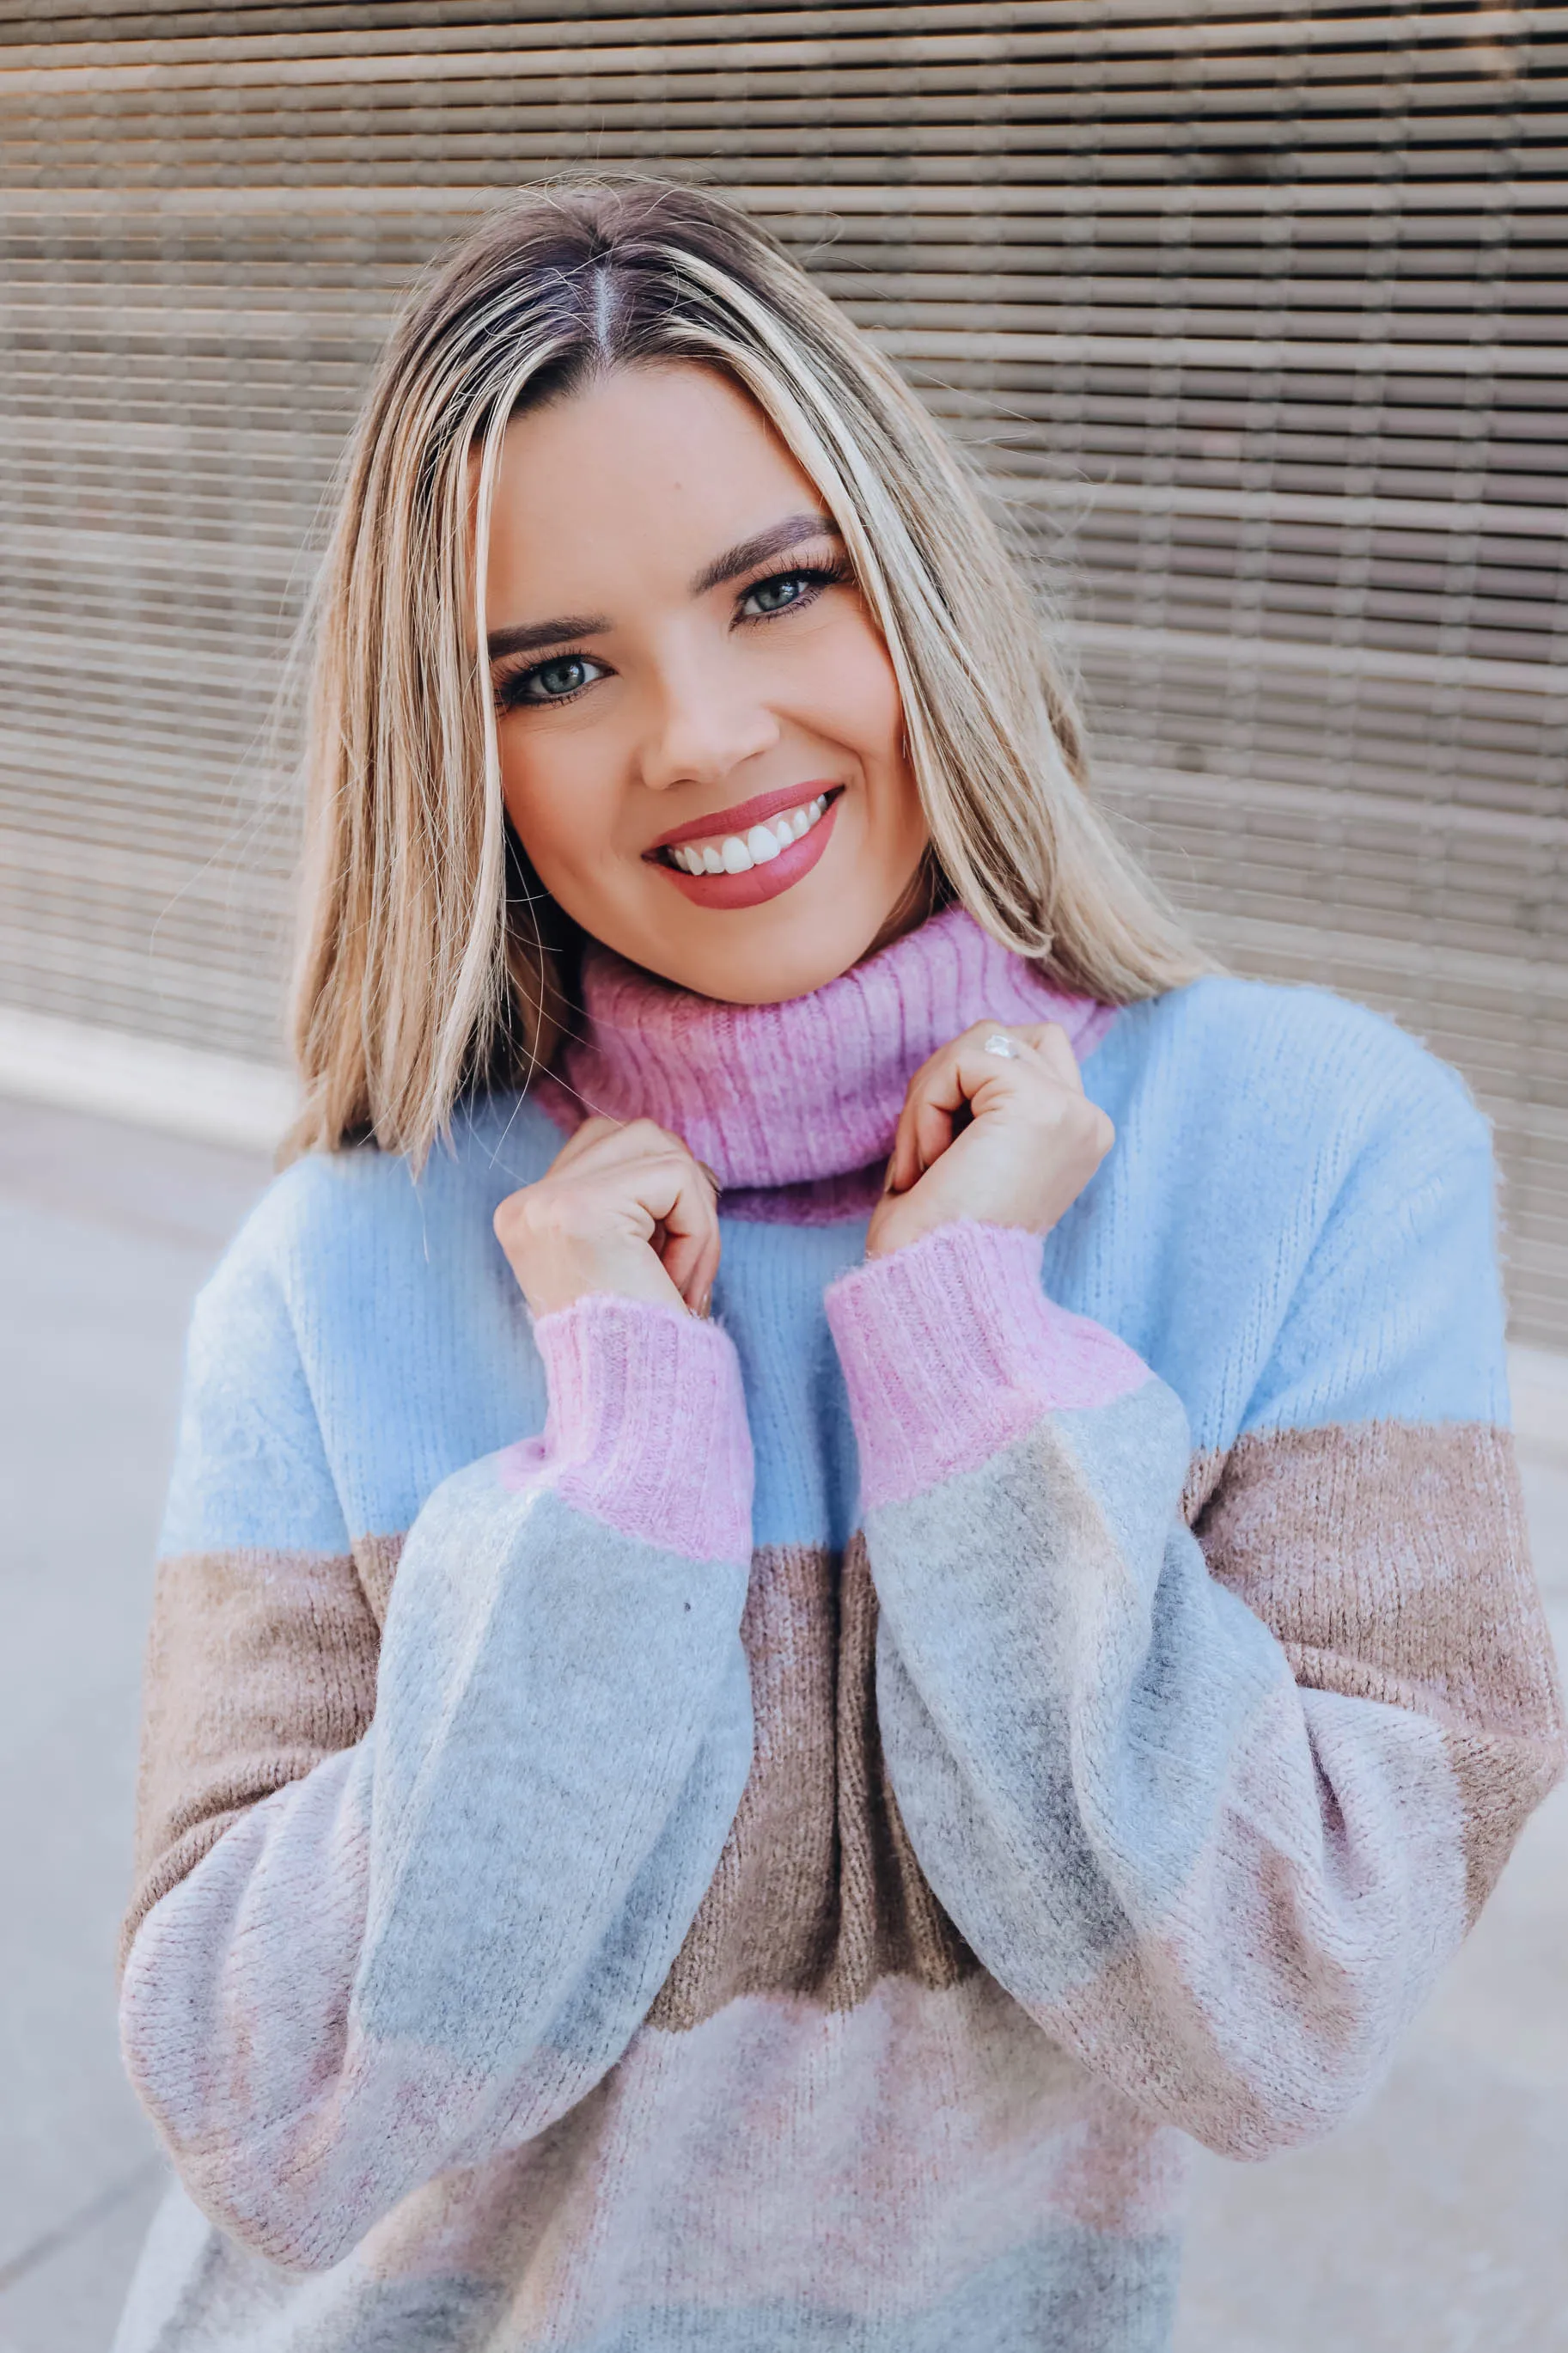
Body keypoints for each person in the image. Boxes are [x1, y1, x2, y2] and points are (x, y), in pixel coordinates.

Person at [113, 180, 1563, 2353]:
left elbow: (1287, 2004)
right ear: (462, 751)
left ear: (920, 595)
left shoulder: (1320, 1154)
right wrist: (613, 1480)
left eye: (777, 588)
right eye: (558, 669)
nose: (696, 736)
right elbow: (265, 2111)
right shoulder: (348, 1257)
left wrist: (978, 1369)